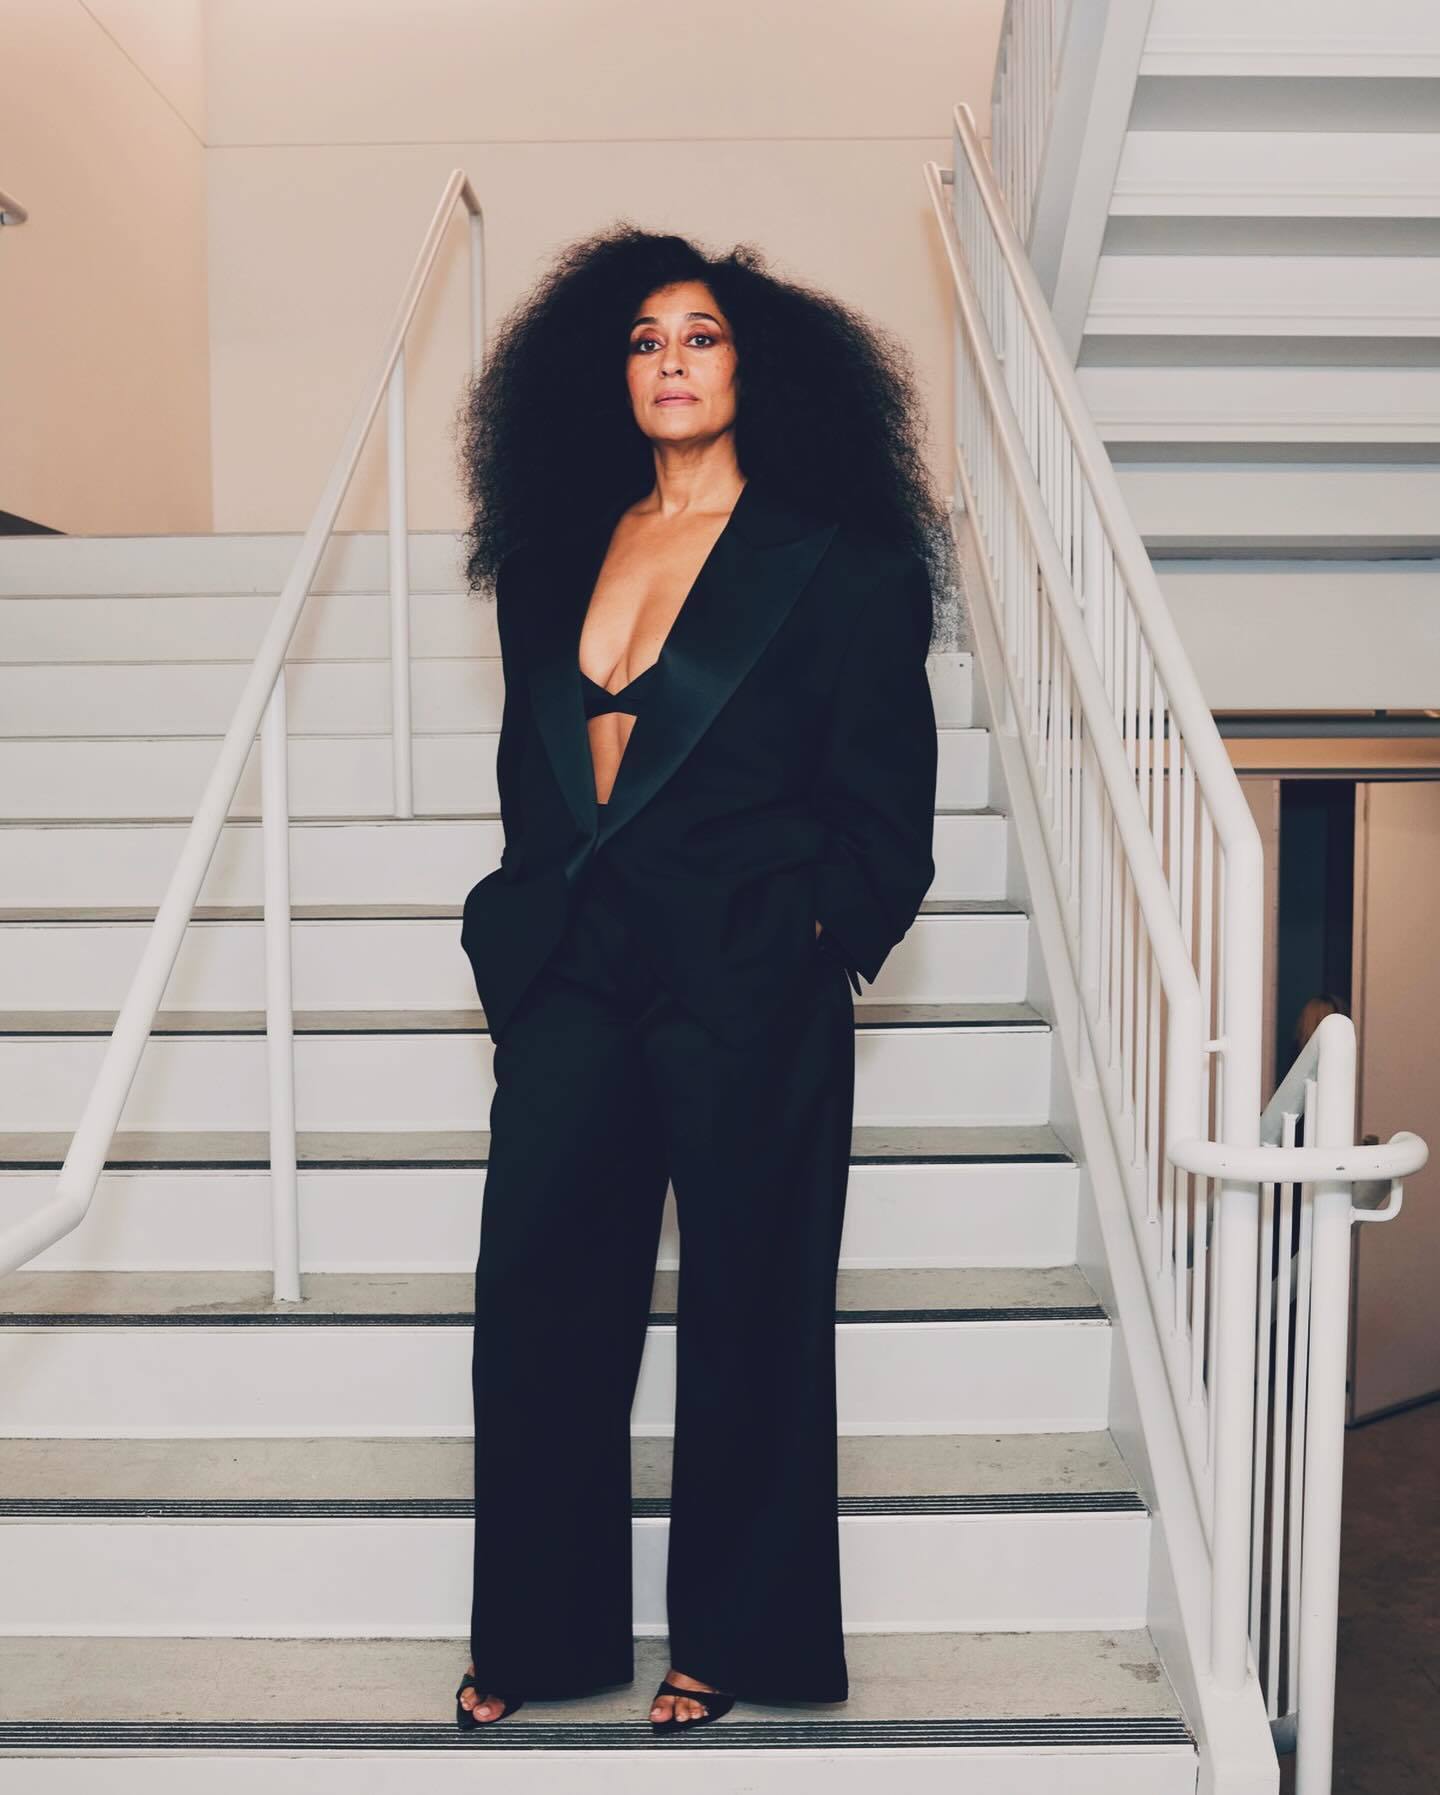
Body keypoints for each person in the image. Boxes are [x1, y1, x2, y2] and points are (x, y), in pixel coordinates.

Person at [450, 224, 951, 1733]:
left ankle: (739, 1641)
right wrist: (516, 924)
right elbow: (539, 771)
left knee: (755, 1312)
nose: (671, 361)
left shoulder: (840, 563)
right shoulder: (554, 556)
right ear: (606, 375)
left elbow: (889, 805)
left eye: (702, 335)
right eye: (645, 340)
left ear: (757, 366)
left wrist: (817, 937)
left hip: (750, 969)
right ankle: (538, 1638)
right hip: (574, 966)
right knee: (536, 1302)